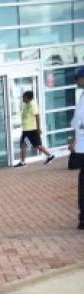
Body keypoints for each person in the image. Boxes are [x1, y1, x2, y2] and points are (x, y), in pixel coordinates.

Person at [15, 90, 55, 167]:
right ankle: (50, 156)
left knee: (25, 145)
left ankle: (23, 162)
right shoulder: (26, 105)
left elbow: (37, 116)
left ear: (27, 97)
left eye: (23, 97)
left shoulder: (32, 105)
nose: (22, 98)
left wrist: (38, 128)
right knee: (36, 145)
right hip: (27, 130)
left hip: (31, 130)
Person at [69, 67, 84, 230]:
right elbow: (77, 121)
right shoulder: (82, 96)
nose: (76, 81)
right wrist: (74, 139)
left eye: (78, 78)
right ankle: (83, 218)